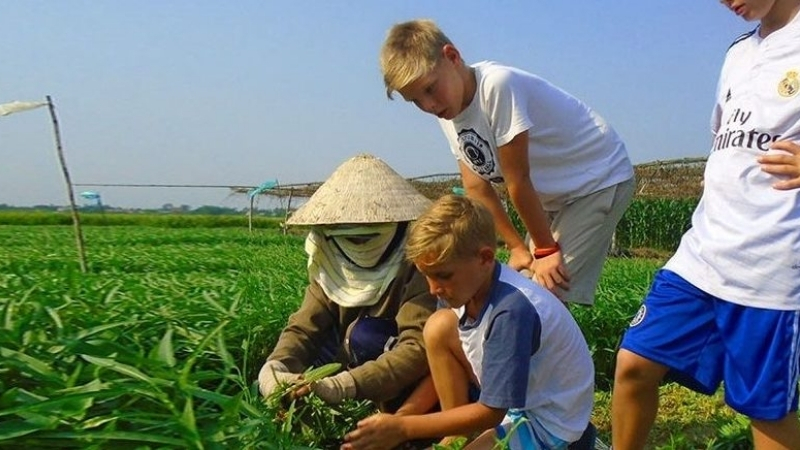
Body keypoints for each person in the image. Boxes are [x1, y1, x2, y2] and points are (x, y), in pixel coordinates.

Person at [612, 1, 800, 448]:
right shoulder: (738, 53)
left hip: (770, 266)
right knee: (634, 364)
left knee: (765, 412)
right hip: (703, 252)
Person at [379, 19, 635, 306]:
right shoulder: (449, 113)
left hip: (598, 178)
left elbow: (518, 179)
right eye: (415, 101)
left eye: (430, 89)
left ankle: (559, 350)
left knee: (544, 293)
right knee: (522, 285)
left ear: (452, 57)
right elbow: (476, 187)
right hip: (554, 197)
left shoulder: (497, 86)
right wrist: (517, 248)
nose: (428, 106)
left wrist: (546, 250)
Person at [342, 194, 594, 450]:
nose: (433, 289)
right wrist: (400, 419)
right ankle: (456, 437)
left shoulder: (510, 311)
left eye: (442, 275)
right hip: (520, 401)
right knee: (438, 326)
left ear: (485, 258)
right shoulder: (466, 288)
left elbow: (492, 411)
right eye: (427, 276)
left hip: (550, 422)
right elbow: (444, 371)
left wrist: (404, 428)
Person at [257, 153, 438, 414]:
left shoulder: (416, 264)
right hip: (350, 358)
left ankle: (385, 411)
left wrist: (344, 385)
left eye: (366, 237)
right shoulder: (331, 262)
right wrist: (276, 367)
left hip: (402, 377)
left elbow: (416, 348)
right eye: (349, 236)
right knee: (317, 355)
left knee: (366, 336)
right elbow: (304, 329)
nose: (358, 246)